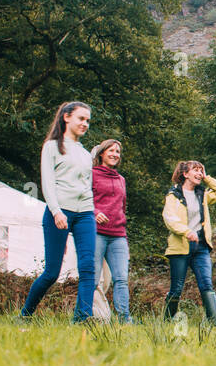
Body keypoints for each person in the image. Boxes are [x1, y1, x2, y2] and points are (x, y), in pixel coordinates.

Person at [20, 101, 96, 322]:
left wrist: (92, 210)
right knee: (52, 272)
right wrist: (56, 211)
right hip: (59, 212)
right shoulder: (52, 146)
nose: (85, 124)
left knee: (88, 267)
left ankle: (82, 319)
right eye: (81, 119)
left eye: (88, 121)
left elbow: (87, 185)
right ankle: (25, 315)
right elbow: (48, 183)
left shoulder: (84, 153)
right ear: (66, 117)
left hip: (85, 214)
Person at [162, 160, 216, 325]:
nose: (199, 173)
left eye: (201, 171)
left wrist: (207, 178)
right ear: (185, 174)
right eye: (196, 170)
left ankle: (215, 324)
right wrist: (187, 232)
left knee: (206, 284)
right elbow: (169, 219)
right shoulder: (173, 196)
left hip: (201, 247)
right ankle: (167, 322)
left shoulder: (203, 195)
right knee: (176, 288)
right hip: (180, 247)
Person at [90, 138, 133, 324]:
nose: (115, 154)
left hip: (118, 235)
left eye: (118, 152)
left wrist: (121, 224)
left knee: (121, 278)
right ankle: (87, 315)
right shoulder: (91, 174)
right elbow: (83, 199)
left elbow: (122, 206)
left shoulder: (121, 179)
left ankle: (124, 319)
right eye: (111, 151)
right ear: (101, 153)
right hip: (97, 232)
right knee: (92, 279)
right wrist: (95, 212)